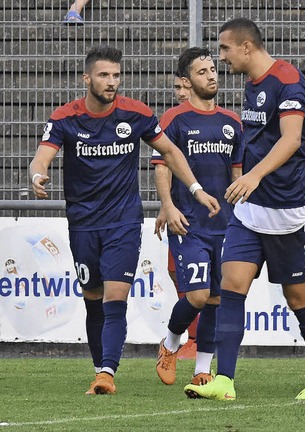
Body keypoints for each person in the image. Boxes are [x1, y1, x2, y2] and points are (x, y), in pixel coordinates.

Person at [30, 45, 220, 395]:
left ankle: (107, 373)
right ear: (87, 78)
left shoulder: (135, 114)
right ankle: (100, 366)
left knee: (115, 297)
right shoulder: (65, 117)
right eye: (104, 75)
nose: (112, 82)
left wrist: (193, 188)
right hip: (84, 224)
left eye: (116, 75)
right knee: (93, 298)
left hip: (124, 223)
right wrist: (38, 176)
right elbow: (41, 158)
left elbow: (170, 152)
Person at [183, 17, 305, 401]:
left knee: (299, 298)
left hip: (289, 210)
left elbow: (290, 140)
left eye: (224, 49)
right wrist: (250, 184)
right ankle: (225, 380)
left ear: (247, 47)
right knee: (233, 285)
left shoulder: (287, 80)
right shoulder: (251, 84)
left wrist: (252, 175)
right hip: (251, 211)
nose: (220, 58)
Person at [152, 47, 243, 396]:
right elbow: (162, 167)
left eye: (212, 69)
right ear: (187, 82)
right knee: (198, 295)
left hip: (226, 225)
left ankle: (202, 372)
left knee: (217, 300)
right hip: (188, 222)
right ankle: (171, 342)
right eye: (202, 72)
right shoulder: (175, 118)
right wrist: (168, 206)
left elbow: (238, 174)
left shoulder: (232, 122)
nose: (212, 75)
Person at [156, 72, 199, 361]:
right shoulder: (172, 118)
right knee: (178, 273)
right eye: (176, 87)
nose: (181, 92)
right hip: (182, 210)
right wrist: (166, 204)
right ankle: (191, 338)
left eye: (186, 86)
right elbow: (166, 162)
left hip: (208, 212)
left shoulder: (221, 120)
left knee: (203, 283)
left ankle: (196, 339)